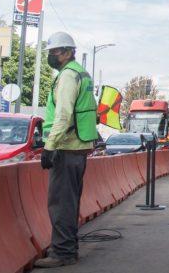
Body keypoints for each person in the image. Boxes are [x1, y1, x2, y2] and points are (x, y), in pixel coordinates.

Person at [34, 32, 98, 268]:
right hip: (77, 148)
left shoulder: (68, 76)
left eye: (56, 51)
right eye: (51, 52)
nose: (52, 56)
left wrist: (49, 146)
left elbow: (63, 115)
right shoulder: (81, 74)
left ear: (69, 52)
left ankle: (62, 253)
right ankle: (67, 248)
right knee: (69, 202)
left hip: (66, 147)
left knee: (61, 203)